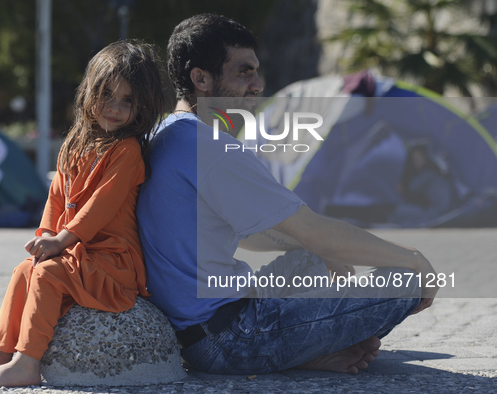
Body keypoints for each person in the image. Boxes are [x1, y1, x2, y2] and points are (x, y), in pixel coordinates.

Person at [137, 13, 439, 375]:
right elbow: (316, 230)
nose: (257, 84)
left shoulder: (170, 133)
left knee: (308, 258)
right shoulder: (210, 147)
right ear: (201, 78)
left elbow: (259, 234)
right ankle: (301, 351)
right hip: (232, 338)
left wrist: (311, 247)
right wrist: (415, 259)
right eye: (243, 72)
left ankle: (310, 354)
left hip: (199, 333)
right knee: (403, 284)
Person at [0, 40, 165, 388]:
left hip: (112, 262)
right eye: (106, 94)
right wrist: (46, 236)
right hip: (77, 250)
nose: (115, 108)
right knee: (25, 271)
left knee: (48, 275)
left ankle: (28, 363)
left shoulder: (128, 150)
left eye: (128, 101)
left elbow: (99, 206)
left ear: (142, 106)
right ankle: (4, 351)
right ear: (89, 92)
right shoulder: (76, 141)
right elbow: (57, 197)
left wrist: (62, 240)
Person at [390, 143, 460, 226]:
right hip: (449, 210)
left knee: (399, 211)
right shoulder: (437, 171)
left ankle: (388, 227)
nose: (417, 162)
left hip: (441, 213)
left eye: (419, 158)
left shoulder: (427, 174)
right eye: (414, 160)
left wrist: (403, 189)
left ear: (425, 157)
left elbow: (412, 189)